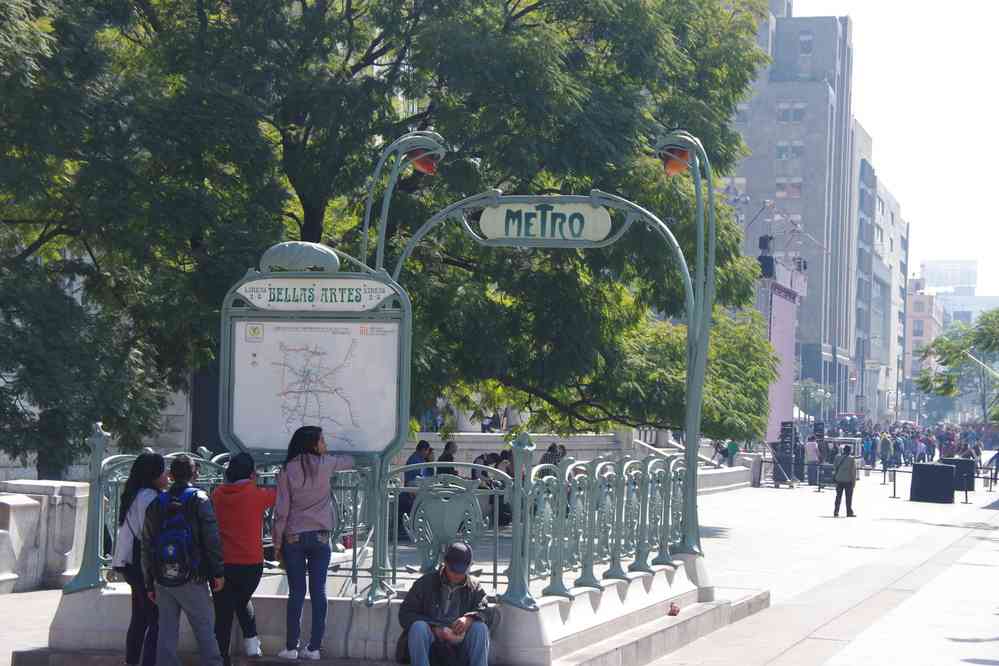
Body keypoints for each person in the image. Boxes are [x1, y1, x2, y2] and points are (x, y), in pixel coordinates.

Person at [273, 426, 353, 660]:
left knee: (296, 593)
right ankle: (314, 648)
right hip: (320, 537)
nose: (324, 444)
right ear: (313, 444)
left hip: (293, 537)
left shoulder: (288, 469)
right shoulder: (327, 463)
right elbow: (350, 461)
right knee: (319, 592)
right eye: (322, 440)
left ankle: (290, 647)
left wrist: (277, 544)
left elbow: (282, 511)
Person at [142, 455, 225, 666]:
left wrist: (149, 581)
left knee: (166, 634)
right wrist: (217, 572)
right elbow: (211, 539)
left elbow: (147, 545)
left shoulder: (156, 502)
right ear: (195, 474)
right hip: (192, 577)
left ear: (170, 475)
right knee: (204, 629)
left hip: (162, 578)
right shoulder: (200, 499)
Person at [211, 452, 276, 665]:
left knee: (223, 611)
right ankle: (252, 645)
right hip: (251, 565)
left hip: (222, 564)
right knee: (241, 600)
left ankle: (222, 656)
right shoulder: (257, 495)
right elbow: (279, 494)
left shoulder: (217, 495)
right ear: (252, 473)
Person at [397, 543, 499, 666]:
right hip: (432, 644)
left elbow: (486, 611)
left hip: (460, 646)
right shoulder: (425, 583)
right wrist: (435, 629)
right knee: (418, 627)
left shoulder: (474, 586)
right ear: (445, 563)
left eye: (461, 571)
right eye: (453, 570)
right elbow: (405, 614)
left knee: (480, 628)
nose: (457, 575)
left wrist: (469, 619)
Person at [113, 452, 169, 666]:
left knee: (140, 618)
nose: (167, 476)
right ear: (153, 474)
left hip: (131, 562)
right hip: (143, 563)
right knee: (155, 619)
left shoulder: (137, 494)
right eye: (163, 471)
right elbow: (152, 536)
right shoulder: (150, 498)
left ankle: (131, 661)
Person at [833, 445, 857, 518]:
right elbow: (853, 471)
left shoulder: (837, 457)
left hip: (839, 479)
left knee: (838, 496)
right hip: (848, 480)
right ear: (850, 451)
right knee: (848, 497)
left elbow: (834, 467)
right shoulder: (852, 459)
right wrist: (854, 482)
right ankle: (849, 512)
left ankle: (836, 511)